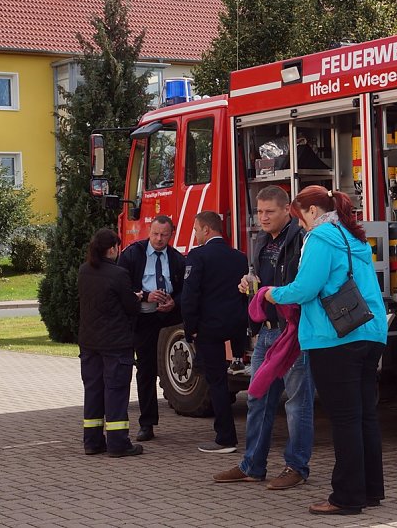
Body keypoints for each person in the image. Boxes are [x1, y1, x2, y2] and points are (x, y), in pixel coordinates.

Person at [266, 186, 387, 515]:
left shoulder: (320, 239)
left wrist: (272, 294)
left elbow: (306, 289)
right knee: (364, 416)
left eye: (299, 216)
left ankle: (346, 497)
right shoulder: (354, 238)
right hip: (370, 332)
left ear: (313, 212)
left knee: (345, 419)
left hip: (335, 338)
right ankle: (370, 490)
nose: (300, 224)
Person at [213, 185, 315, 490]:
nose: (263, 217)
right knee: (257, 397)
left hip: (293, 332)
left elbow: (303, 283)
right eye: (259, 211)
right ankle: (252, 466)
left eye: (270, 211)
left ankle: (296, 467)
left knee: (297, 403)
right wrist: (250, 282)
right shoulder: (259, 241)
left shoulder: (302, 239)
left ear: (287, 210)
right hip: (268, 332)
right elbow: (260, 280)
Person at [181, 211, 249, 453]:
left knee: (217, 381)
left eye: (196, 229)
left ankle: (225, 438)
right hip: (235, 325)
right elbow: (244, 295)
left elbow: (190, 296)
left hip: (209, 328)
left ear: (206, 230)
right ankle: (239, 360)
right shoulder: (239, 257)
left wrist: (191, 329)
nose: (195, 234)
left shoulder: (198, 256)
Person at [118, 215, 185, 442]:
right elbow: (121, 285)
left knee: (168, 367)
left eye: (164, 235)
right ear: (149, 231)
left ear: (171, 234)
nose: (159, 239)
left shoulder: (176, 259)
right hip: (143, 319)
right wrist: (147, 295)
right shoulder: (132, 254)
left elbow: (186, 289)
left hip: (167, 319)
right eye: (155, 234)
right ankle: (147, 423)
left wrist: (174, 301)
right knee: (145, 370)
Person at [77, 228, 143, 458]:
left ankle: (92, 442)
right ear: (113, 248)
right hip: (115, 344)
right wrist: (137, 297)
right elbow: (131, 308)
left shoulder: (84, 271)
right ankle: (118, 444)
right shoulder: (118, 274)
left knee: (93, 391)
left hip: (89, 343)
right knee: (115, 392)